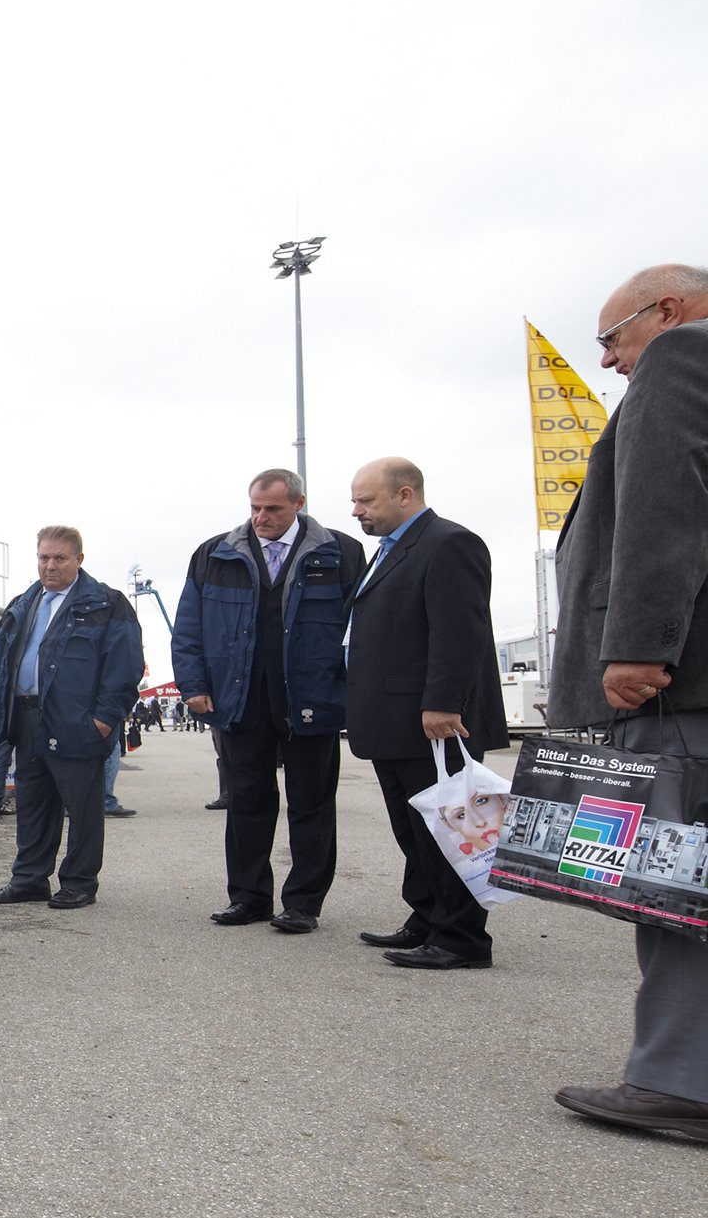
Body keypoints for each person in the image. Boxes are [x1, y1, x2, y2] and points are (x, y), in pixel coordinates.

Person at [544, 263, 708, 1139]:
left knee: (677, 880)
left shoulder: (682, 358)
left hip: (684, 682)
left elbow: (663, 508)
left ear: (669, 311)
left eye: (611, 338)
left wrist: (637, 644)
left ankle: (682, 1081)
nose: (607, 361)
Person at [171, 469, 363, 934]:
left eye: (273, 509)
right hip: (241, 699)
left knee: (311, 803)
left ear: (299, 503)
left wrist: (351, 688)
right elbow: (189, 626)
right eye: (255, 507)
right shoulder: (214, 553)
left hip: (311, 698)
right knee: (247, 801)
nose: (261, 518)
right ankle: (249, 897)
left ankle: (303, 904)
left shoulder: (339, 552)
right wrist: (193, 685)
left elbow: (362, 628)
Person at [344, 457, 507, 969]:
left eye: (365, 501)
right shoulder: (389, 551)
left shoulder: (449, 543)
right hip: (392, 721)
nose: (356, 512)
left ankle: (460, 939)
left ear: (405, 495)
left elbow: (460, 630)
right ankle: (427, 917)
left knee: (446, 830)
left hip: (429, 720)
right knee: (414, 830)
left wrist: (443, 702)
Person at [0, 526, 143, 909]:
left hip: (78, 722)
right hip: (27, 719)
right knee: (32, 805)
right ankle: (29, 880)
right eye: (44, 558)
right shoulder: (24, 603)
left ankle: (79, 883)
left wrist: (103, 719)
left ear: (79, 560)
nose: (50, 566)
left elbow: (126, 667)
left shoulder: (108, 604)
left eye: (60, 558)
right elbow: (0, 666)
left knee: (83, 810)